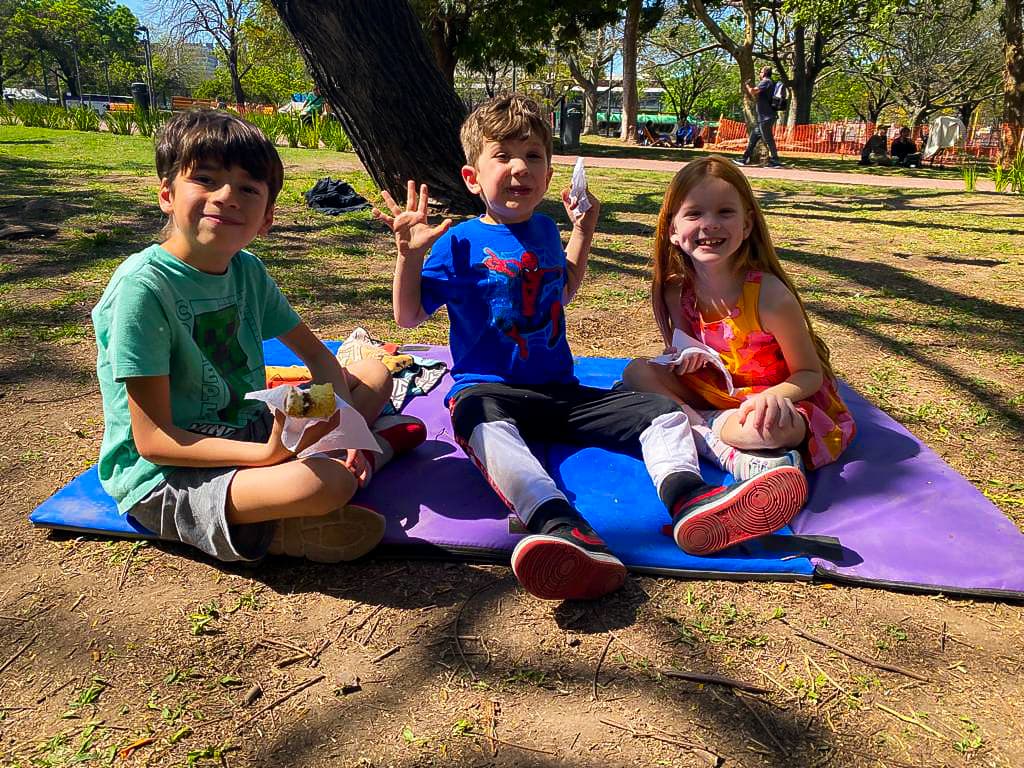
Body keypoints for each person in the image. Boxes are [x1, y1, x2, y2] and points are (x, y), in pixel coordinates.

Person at [374, 95, 806, 601]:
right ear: (473, 177)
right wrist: (408, 257)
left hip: (561, 392)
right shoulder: (460, 241)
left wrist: (583, 230)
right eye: (503, 156)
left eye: (533, 156)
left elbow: (563, 288)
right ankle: (559, 526)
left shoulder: (543, 229)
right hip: (490, 392)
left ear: (548, 173)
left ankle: (690, 499)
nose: (520, 168)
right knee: (478, 420)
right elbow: (408, 317)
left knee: (662, 412)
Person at [92, 109, 425, 564]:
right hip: (170, 472)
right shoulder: (143, 289)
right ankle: (318, 497)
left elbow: (318, 358)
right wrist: (267, 455)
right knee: (325, 482)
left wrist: (341, 426)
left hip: (249, 427)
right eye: (206, 179)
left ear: (266, 218)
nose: (227, 197)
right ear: (167, 194)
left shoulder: (247, 271)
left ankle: (360, 453)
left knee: (372, 374)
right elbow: (154, 441)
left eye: (247, 188)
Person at [622, 155, 855, 487]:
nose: (710, 224)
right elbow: (684, 349)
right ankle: (713, 440)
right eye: (694, 213)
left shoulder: (769, 297)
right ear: (673, 229)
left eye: (725, 212)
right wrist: (683, 357)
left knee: (768, 430)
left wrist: (773, 398)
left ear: (747, 225)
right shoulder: (676, 291)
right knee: (636, 372)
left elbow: (809, 374)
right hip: (713, 393)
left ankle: (696, 428)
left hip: (769, 401)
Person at [737, 67, 782, 168]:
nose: (759, 74)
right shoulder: (771, 82)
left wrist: (747, 85)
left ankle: (775, 160)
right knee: (753, 138)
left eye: (760, 72)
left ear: (765, 73)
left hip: (766, 117)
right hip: (764, 117)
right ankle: (744, 158)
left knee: (769, 139)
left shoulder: (766, 82)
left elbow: (753, 91)